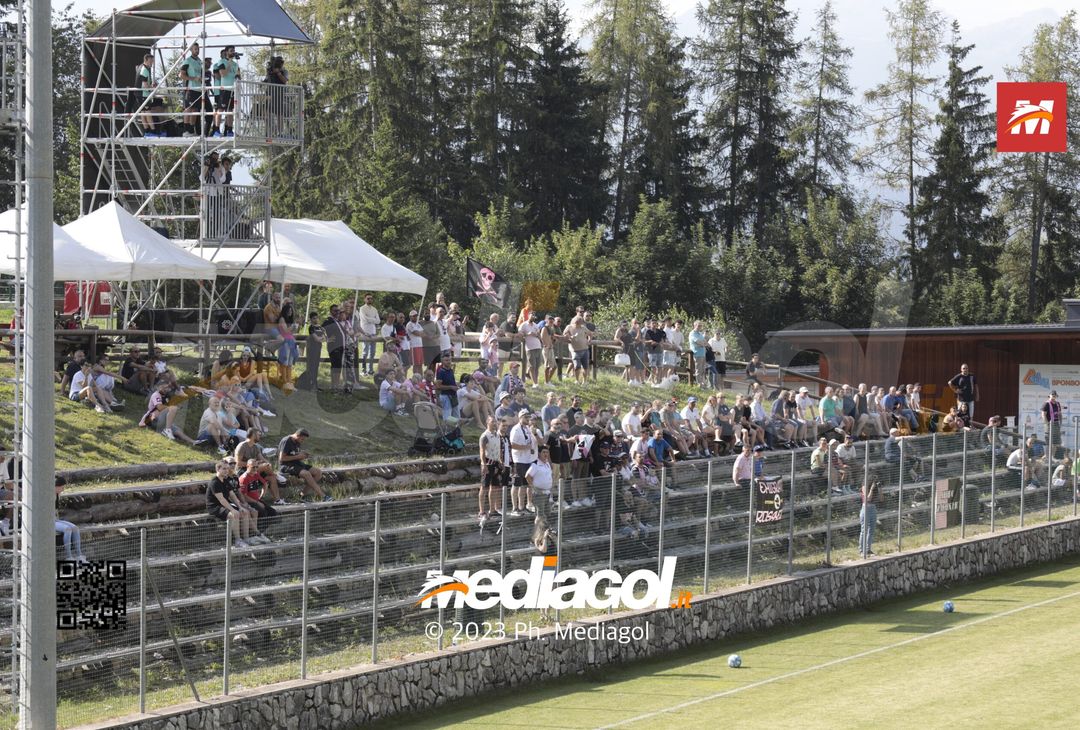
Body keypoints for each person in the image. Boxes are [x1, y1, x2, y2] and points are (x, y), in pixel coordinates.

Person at [206, 460, 261, 548]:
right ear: (218, 469)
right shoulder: (215, 482)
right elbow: (221, 499)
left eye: (227, 469)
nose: (226, 470)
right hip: (215, 507)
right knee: (234, 514)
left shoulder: (225, 480)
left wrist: (240, 507)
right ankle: (238, 540)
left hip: (225, 504)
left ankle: (246, 538)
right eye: (224, 468)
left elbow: (232, 495)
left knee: (245, 512)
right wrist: (232, 510)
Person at [277, 428, 331, 501]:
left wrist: (303, 455)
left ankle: (301, 495)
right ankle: (323, 496)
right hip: (286, 465)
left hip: (296, 463)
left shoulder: (297, 441)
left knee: (318, 472)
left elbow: (293, 454)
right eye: (302, 439)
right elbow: (282, 458)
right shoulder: (286, 441)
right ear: (297, 436)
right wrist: (298, 456)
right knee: (307, 473)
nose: (303, 441)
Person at [509, 412, 539, 517]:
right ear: (520, 417)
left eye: (529, 417)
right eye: (526, 417)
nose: (528, 419)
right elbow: (511, 444)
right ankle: (514, 508)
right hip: (518, 460)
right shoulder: (515, 429)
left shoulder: (527, 429)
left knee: (524, 485)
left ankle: (522, 507)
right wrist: (525, 447)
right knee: (516, 484)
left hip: (528, 460)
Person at [526, 446, 554, 550]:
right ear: (539, 454)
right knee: (539, 516)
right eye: (544, 452)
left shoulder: (547, 464)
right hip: (539, 494)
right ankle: (535, 538)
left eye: (547, 452)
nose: (546, 454)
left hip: (547, 494)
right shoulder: (535, 464)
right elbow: (527, 476)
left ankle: (543, 535)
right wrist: (534, 488)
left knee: (546, 514)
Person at [478, 417, 506, 520]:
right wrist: (483, 464)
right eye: (492, 422)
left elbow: (499, 449)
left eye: (495, 422)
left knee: (494, 487)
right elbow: (482, 450)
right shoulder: (485, 436)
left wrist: (501, 461)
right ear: (487, 423)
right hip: (488, 463)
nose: (494, 423)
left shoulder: (498, 435)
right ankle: (481, 511)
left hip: (496, 463)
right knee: (484, 487)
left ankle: (492, 510)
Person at [54, 477, 86, 562]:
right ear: (56, 486)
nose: (63, 489)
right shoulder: (48, 495)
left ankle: (79, 555)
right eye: (61, 487)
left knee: (75, 528)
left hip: (55, 520)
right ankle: (69, 557)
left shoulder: (57, 495)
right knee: (67, 529)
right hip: (47, 521)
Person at [211, 46, 240, 137]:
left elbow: (239, 76)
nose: (233, 52)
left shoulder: (236, 64)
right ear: (227, 52)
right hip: (224, 90)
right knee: (220, 109)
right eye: (231, 51)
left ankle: (230, 130)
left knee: (230, 111)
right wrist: (229, 64)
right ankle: (216, 130)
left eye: (234, 51)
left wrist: (238, 76)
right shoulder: (222, 62)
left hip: (233, 90)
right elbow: (223, 74)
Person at [135, 53, 166, 136]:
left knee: (143, 113)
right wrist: (152, 88)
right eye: (151, 61)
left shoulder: (140, 67)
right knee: (147, 113)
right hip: (143, 94)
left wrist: (150, 86)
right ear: (146, 60)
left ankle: (147, 131)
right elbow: (145, 85)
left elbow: (143, 83)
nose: (152, 63)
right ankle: (153, 131)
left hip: (139, 94)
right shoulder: (144, 70)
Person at [179, 42, 204, 136]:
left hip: (198, 89)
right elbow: (181, 75)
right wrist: (193, 78)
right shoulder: (188, 61)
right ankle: (186, 130)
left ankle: (191, 130)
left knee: (196, 110)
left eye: (198, 49)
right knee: (188, 108)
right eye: (195, 49)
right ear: (191, 50)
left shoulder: (199, 61)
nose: (197, 51)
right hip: (191, 88)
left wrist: (202, 80)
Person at [563, 316, 592, 385]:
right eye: (576, 322)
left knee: (585, 366)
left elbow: (590, 334)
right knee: (577, 366)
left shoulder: (583, 327)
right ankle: (577, 380)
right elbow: (564, 334)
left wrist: (589, 340)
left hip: (585, 349)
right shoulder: (569, 327)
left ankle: (585, 381)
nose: (578, 324)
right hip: (575, 350)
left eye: (579, 322)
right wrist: (570, 337)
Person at [859, 481, 879, 558]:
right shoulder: (864, 485)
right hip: (866, 508)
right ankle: (861, 550)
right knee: (864, 530)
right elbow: (868, 499)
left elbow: (881, 499)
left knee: (871, 530)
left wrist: (879, 488)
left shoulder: (874, 487)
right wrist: (871, 489)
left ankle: (868, 549)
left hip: (873, 508)